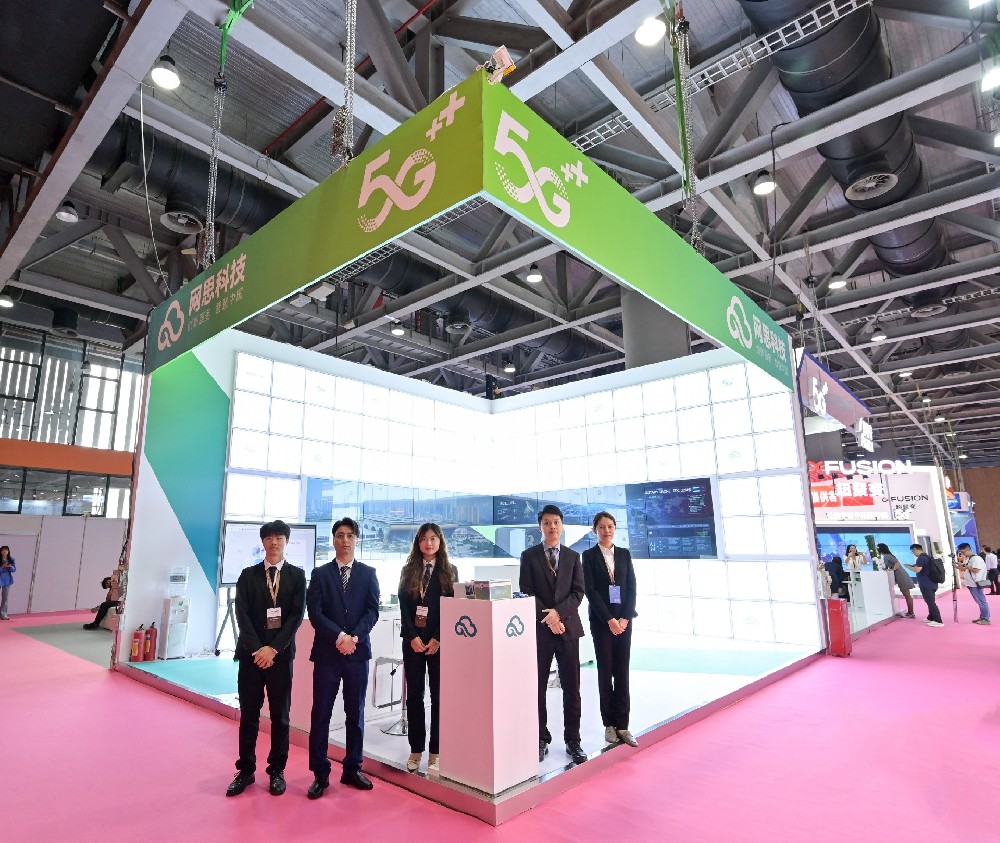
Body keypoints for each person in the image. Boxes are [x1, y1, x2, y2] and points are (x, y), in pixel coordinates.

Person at [227, 520, 307, 797]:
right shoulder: (247, 575)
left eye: (279, 537)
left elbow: (295, 616)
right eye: (269, 538)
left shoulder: (297, 576)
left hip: (280, 658)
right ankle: (246, 770)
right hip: (251, 657)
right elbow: (242, 614)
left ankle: (277, 770)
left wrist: (273, 649)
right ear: (263, 542)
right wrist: (257, 649)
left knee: (280, 716)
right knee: (249, 714)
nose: (274, 542)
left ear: (286, 541)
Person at [307, 517, 380, 797]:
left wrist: (354, 638)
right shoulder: (320, 574)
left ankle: (352, 768)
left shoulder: (368, 574)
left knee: (355, 713)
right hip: (328, 654)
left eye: (350, 535)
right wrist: (339, 637)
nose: (345, 540)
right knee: (321, 713)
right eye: (340, 535)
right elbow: (315, 613)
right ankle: (320, 773)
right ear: (333, 539)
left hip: (357, 655)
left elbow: (372, 611)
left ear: (356, 539)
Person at [519, 504, 587, 766]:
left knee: (572, 687)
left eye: (556, 522)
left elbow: (578, 592)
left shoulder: (572, 557)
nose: (552, 527)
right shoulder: (529, 556)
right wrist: (549, 618)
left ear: (562, 525)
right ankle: (540, 738)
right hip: (541, 631)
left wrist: (558, 614)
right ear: (540, 527)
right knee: (537, 687)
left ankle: (573, 740)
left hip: (568, 629)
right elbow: (526, 591)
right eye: (547, 523)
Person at [397, 523, 457, 773]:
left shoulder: (450, 571)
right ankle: (416, 749)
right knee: (414, 696)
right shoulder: (408, 569)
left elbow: (452, 607)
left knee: (438, 696)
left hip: (437, 644)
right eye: (423, 539)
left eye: (433, 538)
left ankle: (435, 751)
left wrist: (438, 638)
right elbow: (403, 606)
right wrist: (412, 636)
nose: (428, 543)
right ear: (418, 542)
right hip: (412, 643)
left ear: (440, 542)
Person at [582, 512, 638, 748]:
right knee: (605, 672)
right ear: (595, 530)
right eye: (602, 527)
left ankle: (623, 725)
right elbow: (590, 591)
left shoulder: (624, 554)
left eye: (610, 526)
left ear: (615, 529)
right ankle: (609, 724)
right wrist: (609, 620)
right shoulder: (589, 556)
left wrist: (625, 617)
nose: (606, 531)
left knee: (622, 672)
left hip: (624, 621)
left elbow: (631, 587)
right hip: (602, 622)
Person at [904, 543, 942, 627]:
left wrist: (908, 567)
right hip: (932, 583)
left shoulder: (921, 558)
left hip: (926, 584)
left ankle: (938, 620)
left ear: (915, 549)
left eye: (913, 551)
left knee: (930, 602)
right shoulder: (928, 557)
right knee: (930, 601)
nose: (913, 553)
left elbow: (917, 570)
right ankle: (931, 617)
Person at [954, 543, 990, 625]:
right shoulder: (968, 558)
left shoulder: (976, 559)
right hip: (971, 583)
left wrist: (964, 565)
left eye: (963, 552)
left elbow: (976, 570)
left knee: (981, 601)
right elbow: (965, 569)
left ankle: (985, 619)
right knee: (979, 601)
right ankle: (982, 617)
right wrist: (957, 566)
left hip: (976, 583)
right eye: (961, 552)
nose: (962, 554)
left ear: (968, 549)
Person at [877, 543, 914, 618]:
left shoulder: (887, 556)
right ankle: (910, 612)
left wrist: (892, 570)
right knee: (907, 595)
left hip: (901, 576)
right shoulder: (887, 556)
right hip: (900, 575)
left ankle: (911, 613)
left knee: (907, 595)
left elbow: (897, 563)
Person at [0, 546, 14, 620]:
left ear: (8, 551)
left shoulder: (11, 559)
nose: (4, 551)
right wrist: (2, 567)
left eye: (6, 550)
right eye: (3, 550)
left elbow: (14, 569)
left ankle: (3, 614)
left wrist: (10, 567)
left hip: (7, 580)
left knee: (5, 598)